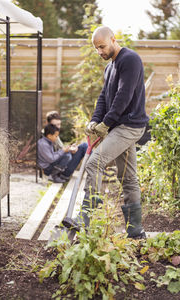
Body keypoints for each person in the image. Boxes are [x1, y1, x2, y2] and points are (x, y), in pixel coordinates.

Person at [65, 26, 149, 239]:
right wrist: (95, 120)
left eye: (102, 46)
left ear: (113, 39)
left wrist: (106, 123)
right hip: (119, 126)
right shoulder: (109, 67)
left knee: (94, 162)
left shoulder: (130, 60)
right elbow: (104, 97)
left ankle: (86, 218)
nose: (99, 51)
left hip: (130, 125)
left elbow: (124, 95)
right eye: (96, 48)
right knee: (128, 177)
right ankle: (135, 230)